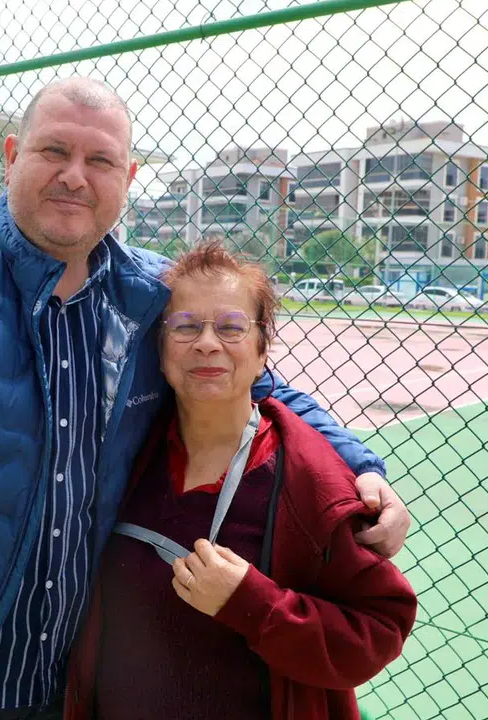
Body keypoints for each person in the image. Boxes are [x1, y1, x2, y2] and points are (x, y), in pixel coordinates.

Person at [0, 76, 411, 720]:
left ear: (127, 178)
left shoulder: (150, 297)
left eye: (100, 160)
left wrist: (360, 467)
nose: (75, 177)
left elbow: (260, 385)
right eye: (55, 151)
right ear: (12, 156)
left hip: (68, 682)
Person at [62, 242, 417, 720]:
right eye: (185, 326)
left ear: (262, 352)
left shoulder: (309, 480)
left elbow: (380, 627)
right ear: (159, 351)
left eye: (231, 327)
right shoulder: (126, 453)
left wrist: (254, 604)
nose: (207, 343)